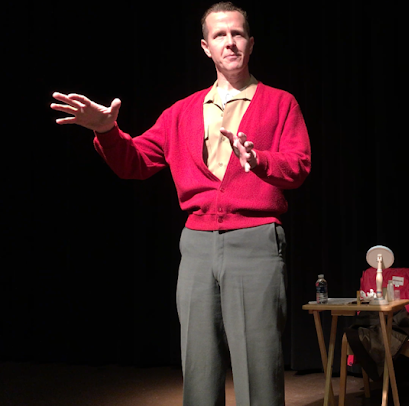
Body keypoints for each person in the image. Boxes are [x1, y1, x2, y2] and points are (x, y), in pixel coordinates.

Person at [50, 2, 311, 405]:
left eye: (237, 34)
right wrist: (108, 131)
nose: (230, 42)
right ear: (206, 47)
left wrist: (259, 160)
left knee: (259, 368)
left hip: (255, 241)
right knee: (199, 367)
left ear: (251, 42)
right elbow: (135, 162)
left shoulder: (280, 103)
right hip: (197, 245)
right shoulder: (182, 112)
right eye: (220, 35)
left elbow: (298, 166)